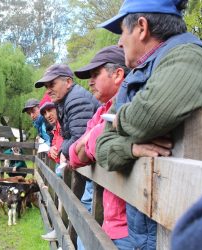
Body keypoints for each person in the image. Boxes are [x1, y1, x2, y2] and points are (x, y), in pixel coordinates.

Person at [96, 0, 202, 249]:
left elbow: (146, 117)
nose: (119, 42)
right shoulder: (136, 77)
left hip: (182, 231)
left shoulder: (189, 56)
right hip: (145, 227)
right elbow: (102, 148)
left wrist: (121, 119)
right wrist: (132, 148)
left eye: (121, 31)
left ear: (141, 27)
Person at [68, 45, 132, 249]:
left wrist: (90, 137)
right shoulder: (102, 111)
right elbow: (74, 156)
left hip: (128, 227)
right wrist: (90, 140)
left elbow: (96, 142)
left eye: (96, 74)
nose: (90, 81)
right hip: (112, 220)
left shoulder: (131, 104)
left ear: (118, 75)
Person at [35, 64, 100, 248]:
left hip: (94, 168)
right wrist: (65, 147)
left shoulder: (76, 100)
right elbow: (71, 137)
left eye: (52, 84)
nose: (48, 90)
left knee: (86, 215)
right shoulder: (65, 102)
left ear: (68, 82)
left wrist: (63, 149)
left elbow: (79, 139)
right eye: (46, 86)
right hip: (87, 165)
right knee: (81, 209)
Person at [39, 102, 64, 176]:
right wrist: (51, 150)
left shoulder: (63, 124)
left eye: (49, 110)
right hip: (62, 165)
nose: (47, 115)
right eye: (45, 113)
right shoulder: (56, 128)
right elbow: (53, 146)